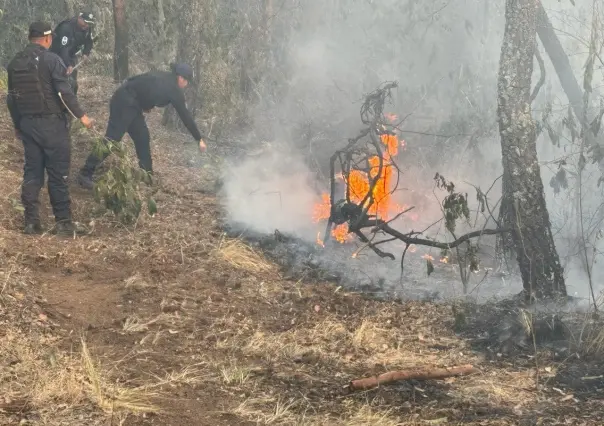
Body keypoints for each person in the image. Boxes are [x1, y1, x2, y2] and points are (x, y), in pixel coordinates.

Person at [6, 21, 94, 235]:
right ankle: (63, 224)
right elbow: (64, 93)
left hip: (28, 125)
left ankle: (31, 222)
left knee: (32, 172)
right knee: (58, 174)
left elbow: (11, 99)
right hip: (52, 126)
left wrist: (18, 125)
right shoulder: (51, 60)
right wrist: (82, 116)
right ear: (47, 39)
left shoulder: (15, 63)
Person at [77, 63, 206, 189]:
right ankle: (85, 173)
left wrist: (145, 104)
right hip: (124, 103)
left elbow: (141, 84)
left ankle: (147, 176)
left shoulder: (165, 77)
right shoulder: (173, 89)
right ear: (181, 78)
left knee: (142, 137)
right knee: (112, 139)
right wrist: (198, 139)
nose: (186, 85)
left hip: (132, 104)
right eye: (187, 81)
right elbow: (185, 116)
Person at [50, 12, 95, 95]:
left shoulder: (87, 28)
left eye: (89, 23)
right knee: (60, 82)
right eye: (85, 22)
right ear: (79, 19)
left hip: (70, 55)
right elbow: (63, 49)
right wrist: (68, 64)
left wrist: (85, 53)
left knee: (72, 83)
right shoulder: (66, 28)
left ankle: (72, 103)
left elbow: (89, 41)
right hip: (57, 56)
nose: (87, 25)